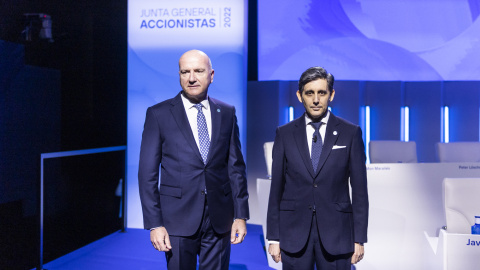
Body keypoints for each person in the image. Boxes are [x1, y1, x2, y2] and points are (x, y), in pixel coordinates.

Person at [138, 49, 249, 270]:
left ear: (212, 74)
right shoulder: (158, 114)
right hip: (177, 219)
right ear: (179, 75)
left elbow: (235, 168)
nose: (191, 78)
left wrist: (241, 215)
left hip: (220, 217)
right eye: (185, 72)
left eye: (198, 71)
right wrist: (154, 224)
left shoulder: (226, 112)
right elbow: (147, 173)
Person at [266, 67, 369, 269]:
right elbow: (276, 188)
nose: (315, 99)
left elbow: (360, 192)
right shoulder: (285, 134)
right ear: (299, 96)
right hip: (294, 234)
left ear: (331, 95)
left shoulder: (350, 133)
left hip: (338, 235)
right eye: (309, 93)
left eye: (321, 93)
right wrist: (274, 238)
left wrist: (359, 238)